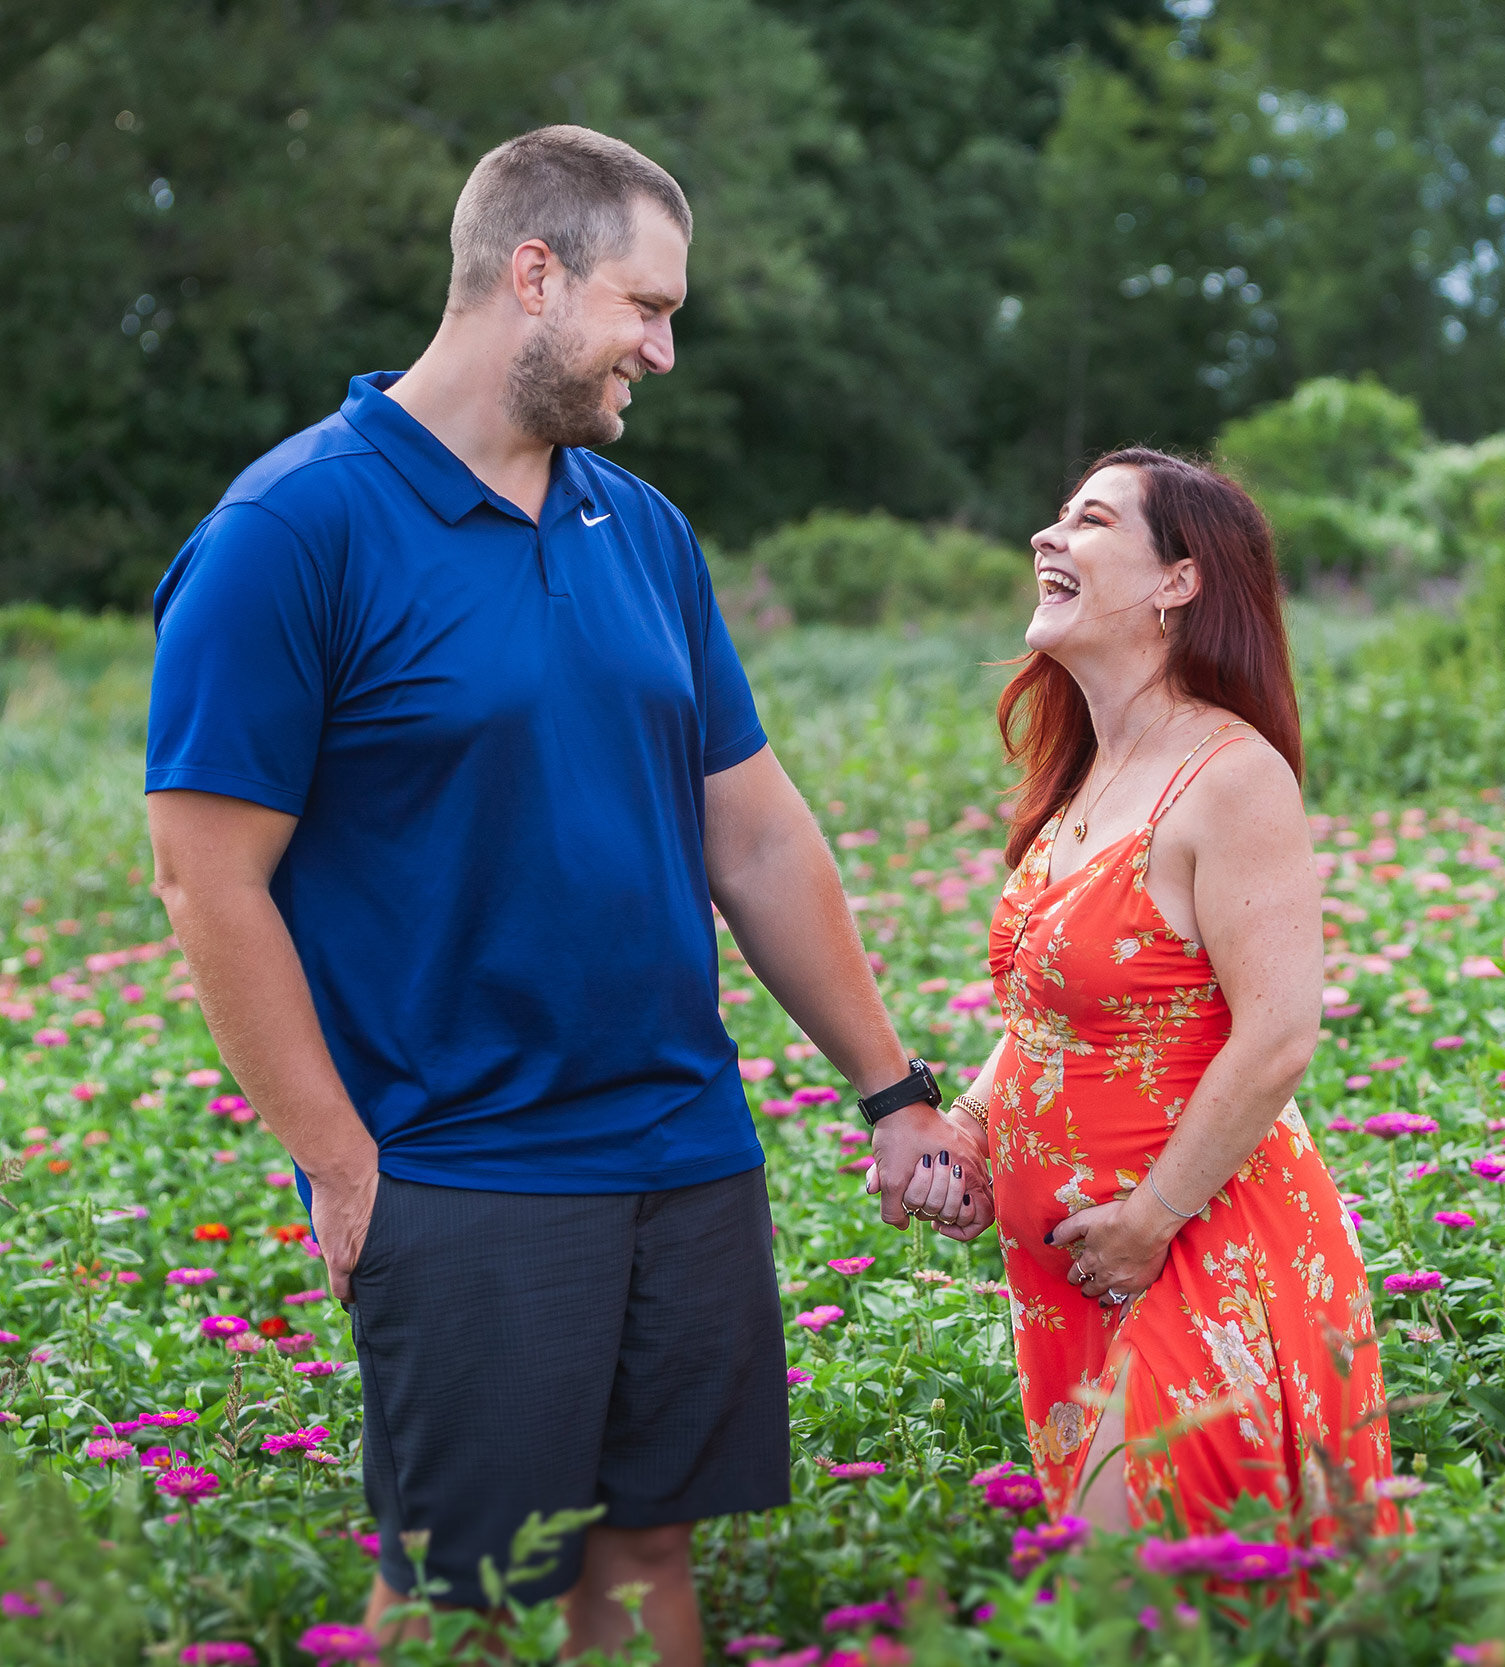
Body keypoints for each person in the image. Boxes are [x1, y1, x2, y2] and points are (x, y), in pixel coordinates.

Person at [144, 125, 983, 1665]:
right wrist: (337, 1158)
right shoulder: (288, 533)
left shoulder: (639, 528)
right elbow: (208, 879)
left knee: (649, 1546)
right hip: (460, 1161)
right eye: (646, 307)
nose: (662, 349)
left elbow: (757, 836)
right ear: (533, 275)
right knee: (457, 1590)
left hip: (681, 1139)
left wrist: (893, 1089)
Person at [896, 448, 1401, 1543]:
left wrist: (1149, 1218)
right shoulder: (1089, 769)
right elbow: (1047, 1010)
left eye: (1087, 520)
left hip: (1192, 1245)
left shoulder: (1231, 776)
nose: (1046, 537)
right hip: (1075, 1269)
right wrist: (971, 1126)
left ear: (1177, 580)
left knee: (1127, 1591)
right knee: (1152, 1615)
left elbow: (1278, 1034)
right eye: (1055, 513)